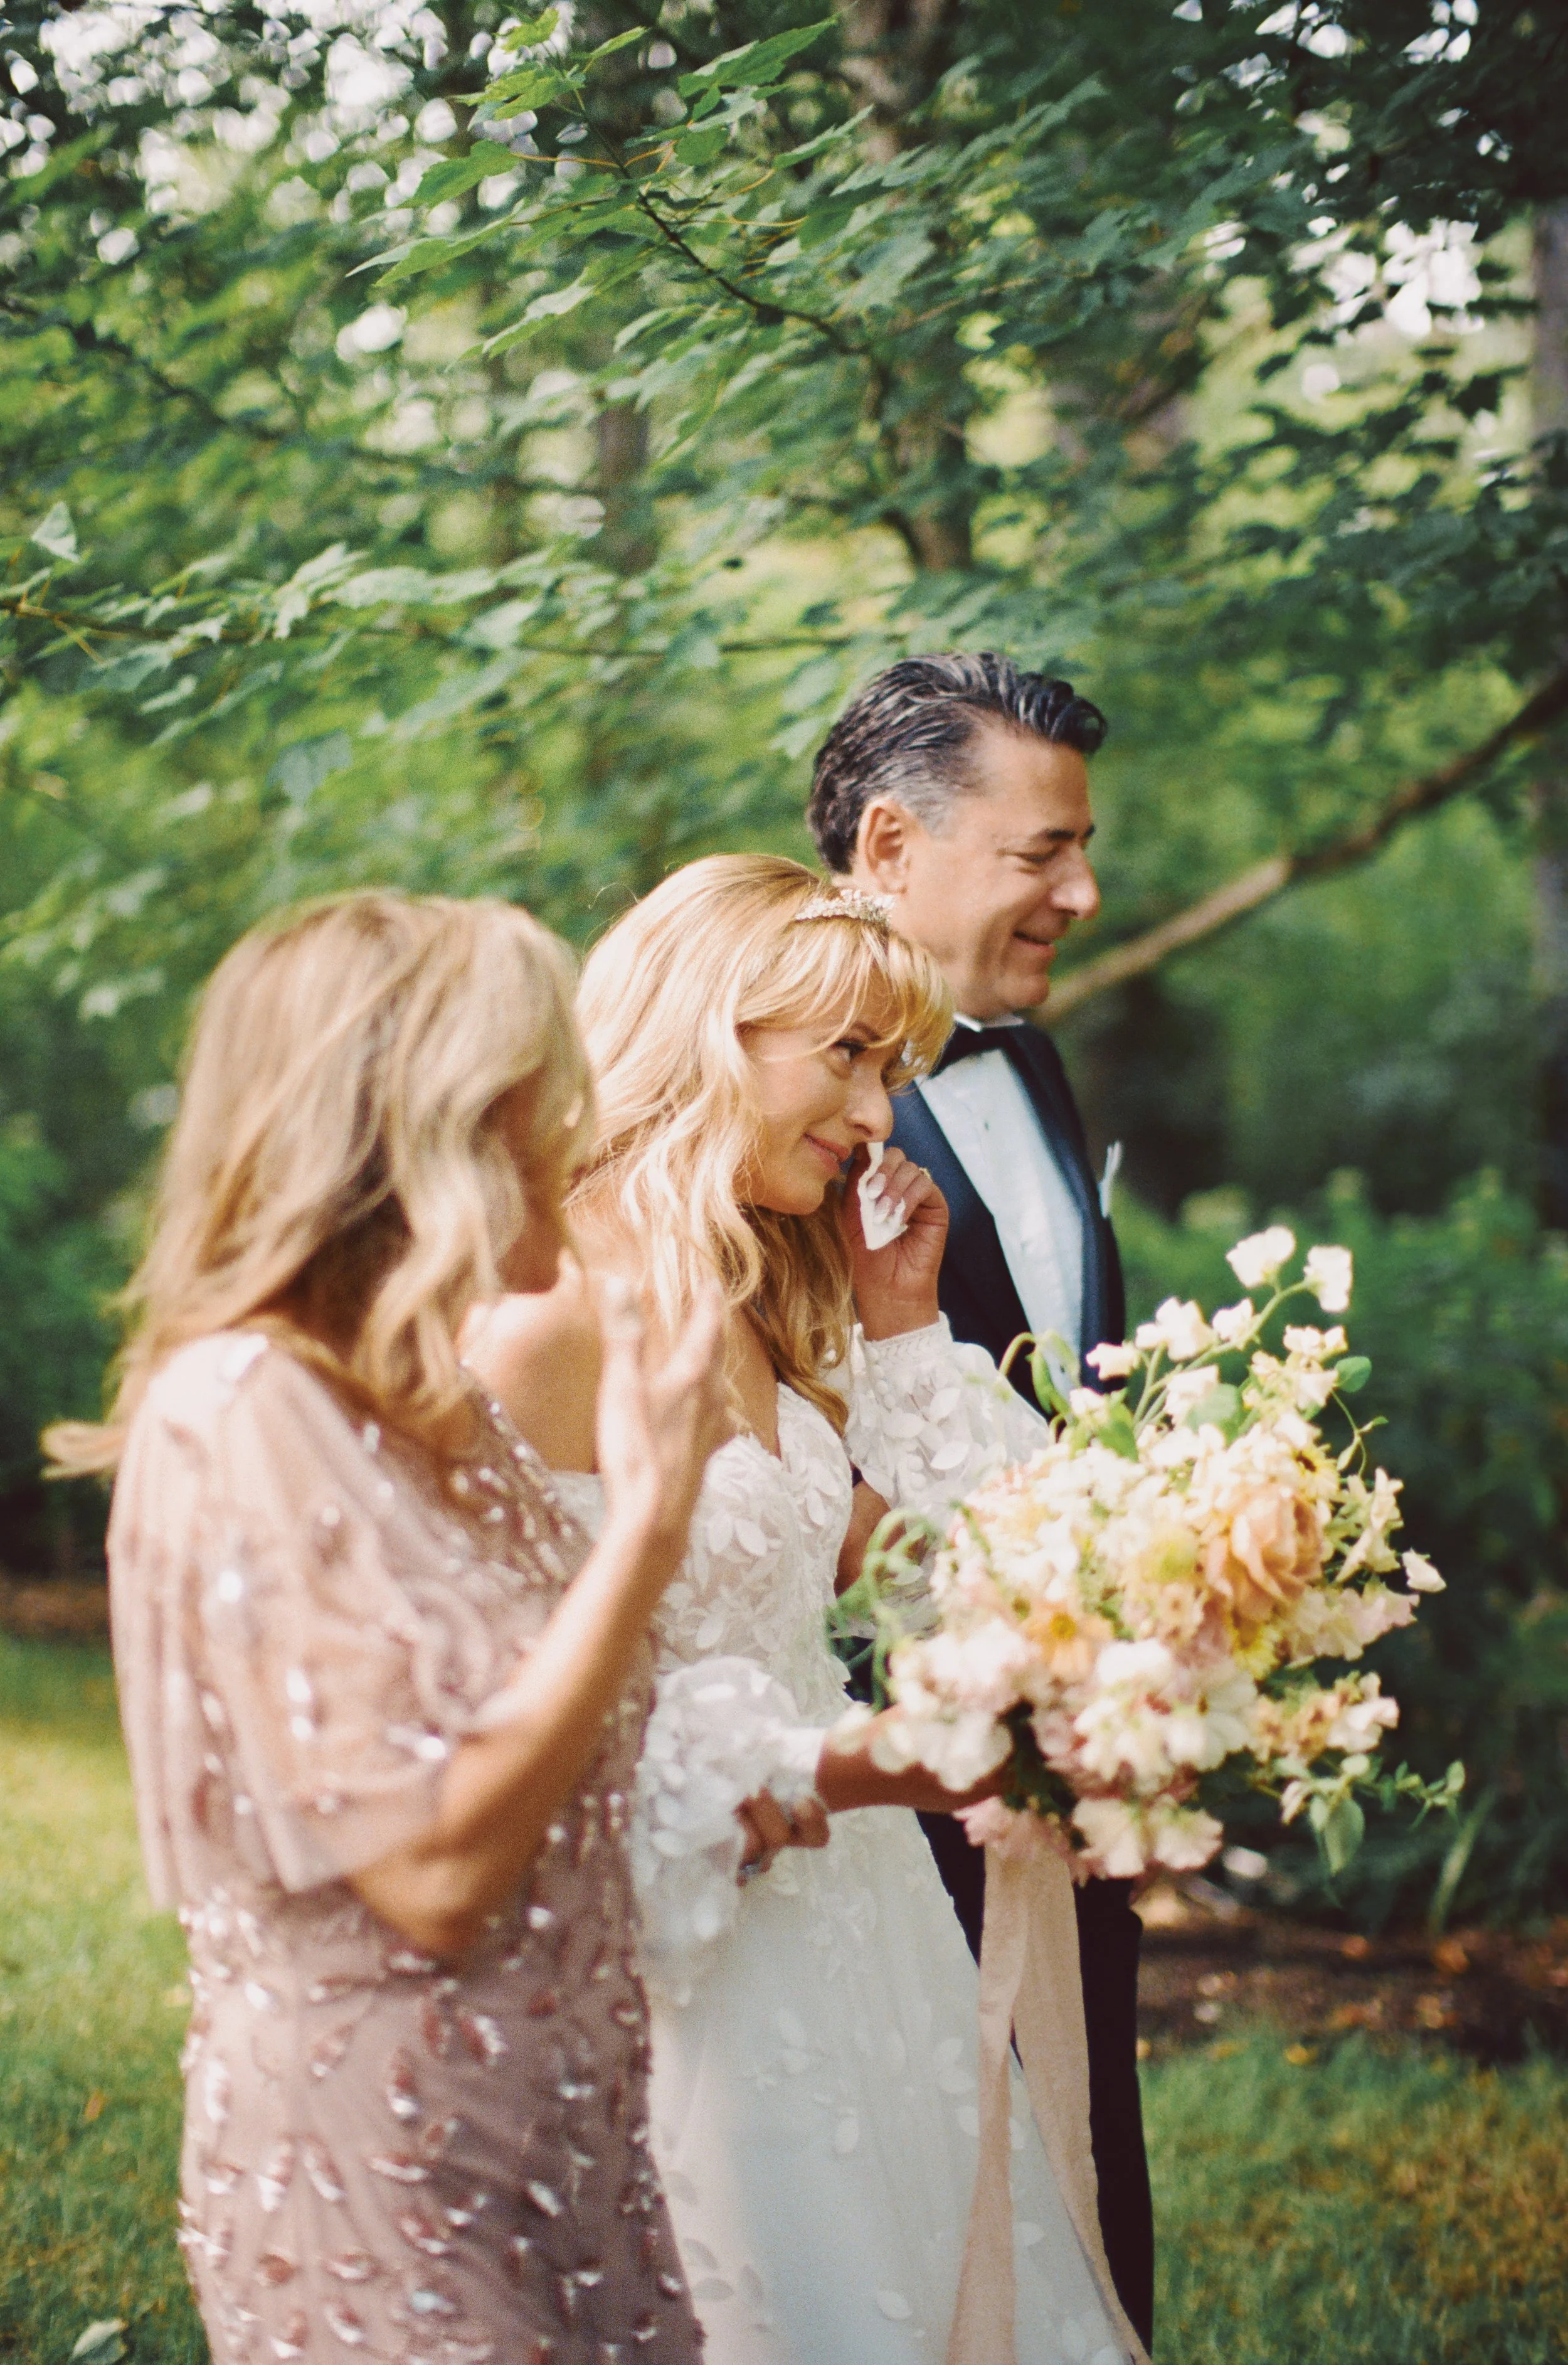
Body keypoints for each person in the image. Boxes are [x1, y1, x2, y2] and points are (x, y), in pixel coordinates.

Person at [465, 855, 1140, 2365]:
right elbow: (501, 1704)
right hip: (683, 1961)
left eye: (890, 1068)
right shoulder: (547, 1311)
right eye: (844, 1056)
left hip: (866, 1921)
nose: (876, 1114)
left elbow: (915, 1582)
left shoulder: (767, 1293)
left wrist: (901, 1334)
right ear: (708, 1026)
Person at [47, 891, 729, 2365]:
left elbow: (560, 1733)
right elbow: (430, 1868)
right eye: (549, 1081)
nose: (583, 1117)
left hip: (576, 2151)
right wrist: (646, 1528)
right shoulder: (240, 1413)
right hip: (383, 2175)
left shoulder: (448, 1411)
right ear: (443, 1121)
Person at [807, 651, 1154, 2352]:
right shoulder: (757, 1096)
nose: (1080, 894)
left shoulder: (1025, 1059)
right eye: (1042, 854)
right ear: (890, 844)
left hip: (1068, 1740)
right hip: (857, 1777)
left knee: (1079, 2164)